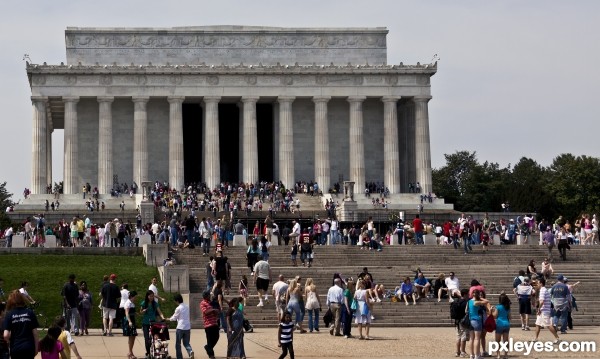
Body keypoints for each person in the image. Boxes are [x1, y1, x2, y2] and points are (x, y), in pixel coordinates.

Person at [2, 290, 39, 358]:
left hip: (16, 347)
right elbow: (35, 334)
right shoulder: (30, 313)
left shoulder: (9, 315)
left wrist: (12, 338)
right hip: (29, 347)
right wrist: (36, 348)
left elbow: (5, 335)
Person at [533, 277, 560, 343]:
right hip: (544, 310)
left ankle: (557, 338)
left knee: (548, 325)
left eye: (538, 283)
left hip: (544, 310)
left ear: (541, 283)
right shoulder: (544, 290)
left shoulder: (542, 290)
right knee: (538, 324)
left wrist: (539, 309)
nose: (537, 284)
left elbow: (542, 301)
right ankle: (536, 338)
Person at [140, 290, 165, 358]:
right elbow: (140, 312)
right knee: (147, 339)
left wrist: (163, 318)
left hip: (153, 322)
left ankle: (155, 351)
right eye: (150, 296)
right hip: (145, 323)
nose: (151, 297)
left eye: (152, 296)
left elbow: (159, 312)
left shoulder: (155, 303)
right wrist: (143, 311)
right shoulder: (144, 303)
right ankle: (148, 352)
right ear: (147, 296)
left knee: (156, 338)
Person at [168, 293, 193, 359]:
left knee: (178, 344)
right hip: (187, 327)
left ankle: (179, 357)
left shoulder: (178, 308)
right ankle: (190, 351)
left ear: (177, 301)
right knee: (186, 343)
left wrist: (168, 319)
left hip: (180, 328)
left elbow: (174, 318)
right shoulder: (187, 306)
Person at [467, 289, 489, 359]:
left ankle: (471, 355)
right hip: (477, 320)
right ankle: (477, 355)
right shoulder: (476, 302)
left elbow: (466, 310)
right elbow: (486, 301)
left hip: (470, 320)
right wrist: (480, 298)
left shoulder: (469, 301)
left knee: (471, 338)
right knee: (477, 339)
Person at [200, 290, 220, 359]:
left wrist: (216, 312)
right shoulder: (203, 303)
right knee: (209, 340)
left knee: (216, 337)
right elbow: (205, 312)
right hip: (208, 325)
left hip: (214, 323)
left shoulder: (210, 303)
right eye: (209, 295)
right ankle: (211, 355)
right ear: (206, 296)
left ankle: (208, 347)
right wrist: (213, 310)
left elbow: (212, 312)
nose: (210, 296)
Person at [121, 290, 138, 359]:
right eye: (135, 297)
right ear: (131, 297)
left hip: (132, 320)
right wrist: (130, 321)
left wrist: (136, 313)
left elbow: (132, 312)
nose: (136, 298)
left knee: (133, 337)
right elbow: (127, 313)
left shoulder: (132, 303)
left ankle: (130, 352)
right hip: (129, 321)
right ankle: (130, 352)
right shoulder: (128, 303)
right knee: (131, 336)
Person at [494, 293, 511, 359]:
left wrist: (491, 312)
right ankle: (505, 355)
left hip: (499, 324)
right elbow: (510, 316)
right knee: (506, 340)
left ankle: (498, 355)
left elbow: (495, 316)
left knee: (497, 341)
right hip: (506, 324)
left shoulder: (498, 307)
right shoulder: (507, 307)